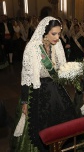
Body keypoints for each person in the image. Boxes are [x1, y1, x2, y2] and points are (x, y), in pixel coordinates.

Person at [11, 16, 78, 152]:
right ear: (45, 32)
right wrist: (25, 101)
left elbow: (61, 69)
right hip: (36, 90)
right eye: (54, 34)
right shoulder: (32, 48)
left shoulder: (56, 45)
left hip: (54, 89)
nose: (57, 37)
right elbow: (26, 77)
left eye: (59, 33)